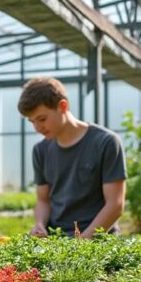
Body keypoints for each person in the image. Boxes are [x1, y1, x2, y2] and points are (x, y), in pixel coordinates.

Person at [18, 77, 126, 238]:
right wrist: (40, 224)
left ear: (63, 106)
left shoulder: (106, 142)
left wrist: (84, 241)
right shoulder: (40, 150)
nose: (37, 128)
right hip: (56, 240)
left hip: (99, 240)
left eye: (42, 119)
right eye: (32, 121)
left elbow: (115, 205)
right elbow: (43, 200)